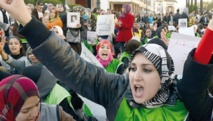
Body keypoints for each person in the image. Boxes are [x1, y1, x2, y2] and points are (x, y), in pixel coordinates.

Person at [2, 0, 212, 120]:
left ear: (164, 76)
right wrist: (28, 21)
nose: (135, 76)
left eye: (147, 70)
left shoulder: (184, 106)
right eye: (133, 68)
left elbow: (197, 81)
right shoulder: (117, 89)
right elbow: (73, 67)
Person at [0, 75, 75, 121]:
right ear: (7, 110)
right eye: (26, 110)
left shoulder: (55, 113)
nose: (35, 113)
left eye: (37, 104)